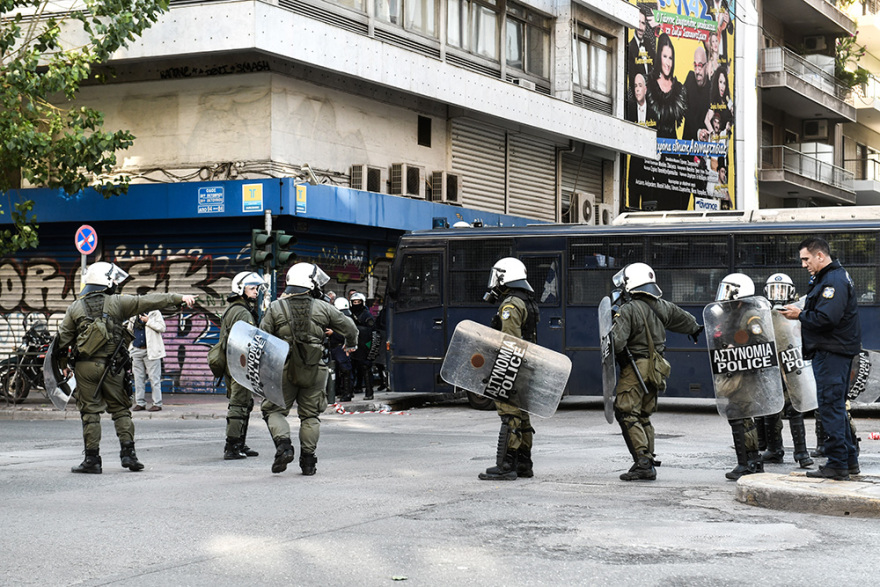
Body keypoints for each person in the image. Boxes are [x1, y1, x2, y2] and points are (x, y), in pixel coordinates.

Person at [56, 261, 195, 474]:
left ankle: (92, 460)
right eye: (113, 280)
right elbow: (148, 300)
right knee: (121, 410)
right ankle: (129, 455)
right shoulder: (118, 302)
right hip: (113, 367)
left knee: (90, 412)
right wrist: (179, 298)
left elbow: (62, 340)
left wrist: (63, 365)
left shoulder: (75, 307)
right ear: (106, 281)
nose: (116, 284)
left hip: (85, 368)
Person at [260, 262, 357, 475]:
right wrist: (350, 344)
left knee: (273, 410)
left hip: (284, 368)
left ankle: (284, 446)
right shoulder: (323, 307)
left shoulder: (275, 307)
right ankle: (308, 462)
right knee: (310, 416)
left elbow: (262, 338)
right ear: (310, 284)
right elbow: (350, 327)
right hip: (315, 368)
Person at [610, 263, 702, 481]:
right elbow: (688, 321)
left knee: (626, 412)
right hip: (657, 368)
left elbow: (617, 342)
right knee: (643, 414)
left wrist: (611, 326)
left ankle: (643, 463)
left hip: (636, 368)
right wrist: (695, 330)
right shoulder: (663, 306)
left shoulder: (628, 309)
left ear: (631, 283)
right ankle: (648, 459)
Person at [779, 237, 862, 480]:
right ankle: (848, 460)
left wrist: (799, 314)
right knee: (836, 406)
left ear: (820, 255)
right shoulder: (829, 277)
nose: (803, 264)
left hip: (831, 352)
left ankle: (837, 464)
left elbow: (827, 318)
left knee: (830, 407)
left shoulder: (832, 281)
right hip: (834, 351)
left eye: (806, 259)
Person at [478, 257, 540, 481]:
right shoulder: (527, 301)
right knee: (522, 415)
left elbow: (511, 342)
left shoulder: (511, 304)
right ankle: (524, 463)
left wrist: (501, 369)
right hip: (526, 365)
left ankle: (506, 465)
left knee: (509, 414)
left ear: (505, 276)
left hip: (513, 365)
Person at [712, 273, 767, 480]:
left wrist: (738, 347)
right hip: (736, 371)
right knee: (740, 415)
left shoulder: (750, 315)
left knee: (739, 413)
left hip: (747, 375)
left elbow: (762, 342)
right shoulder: (733, 315)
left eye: (728, 291)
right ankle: (752, 461)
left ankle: (748, 463)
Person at [760, 273, 814, 469]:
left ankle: (802, 453)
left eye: (782, 290)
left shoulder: (796, 311)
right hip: (771, 364)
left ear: (791, 292)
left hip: (791, 363)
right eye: (774, 290)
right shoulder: (761, 312)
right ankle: (774, 449)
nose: (778, 294)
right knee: (770, 407)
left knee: (794, 407)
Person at [219, 271, 264, 460]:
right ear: (240, 289)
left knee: (245, 403)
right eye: (252, 288)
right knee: (239, 404)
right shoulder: (242, 312)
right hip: (239, 364)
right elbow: (248, 340)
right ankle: (232, 447)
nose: (256, 291)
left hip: (235, 362)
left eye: (256, 288)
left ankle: (240, 443)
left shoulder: (236, 308)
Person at [647, 32, 687, 140]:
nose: (668, 63)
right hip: (650, 144)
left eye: (670, 58)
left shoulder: (679, 89)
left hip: (671, 146)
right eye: (665, 56)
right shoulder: (649, 83)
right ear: (659, 57)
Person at [128, 310, 166, 412]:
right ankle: (140, 403)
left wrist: (148, 321)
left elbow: (162, 327)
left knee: (154, 378)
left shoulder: (155, 313)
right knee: (138, 378)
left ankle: (157, 403)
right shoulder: (134, 314)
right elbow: (130, 330)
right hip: (136, 350)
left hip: (151, 351)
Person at [349, 292, 378, 400]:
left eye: (358, 302)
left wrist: (370, 349)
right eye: (354, 302)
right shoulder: (349, 314)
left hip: (364, 346)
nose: (356, 304)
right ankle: (350, 391)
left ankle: (369, 392)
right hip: (352, 345)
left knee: (366, 368)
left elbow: (372, 332)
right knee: (350, 369)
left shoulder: (366, 315)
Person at [327, 297, 355, 402]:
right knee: (338, 371)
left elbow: (346, 335)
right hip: (337, 348)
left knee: (345, 370)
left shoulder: (345, 320)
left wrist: (333, 333)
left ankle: (347, 393)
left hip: (341, 347)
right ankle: (341, 391)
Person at [683, 45, 711, 141]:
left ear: (707, 66)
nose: (697, 71)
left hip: (706, 143)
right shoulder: (690, 79)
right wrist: (698, 132)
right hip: (688, 143)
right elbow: (684, 108)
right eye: (695, 65)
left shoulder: (712, 87)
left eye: (700, 65)